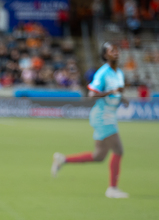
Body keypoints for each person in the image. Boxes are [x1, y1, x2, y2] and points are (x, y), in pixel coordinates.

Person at [51, 42, 130, 198]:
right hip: (102, 116)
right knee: (118, 150)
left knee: (99, 156)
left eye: (116, 50)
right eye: (111, 50)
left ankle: (63, 160)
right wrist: (112, 91)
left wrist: (122, 98)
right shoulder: (102, 73)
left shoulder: (119, 73)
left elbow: (116, 93)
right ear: (105, 55)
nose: (116, 52)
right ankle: (112, 189)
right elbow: (91, 96)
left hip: (110, 115)